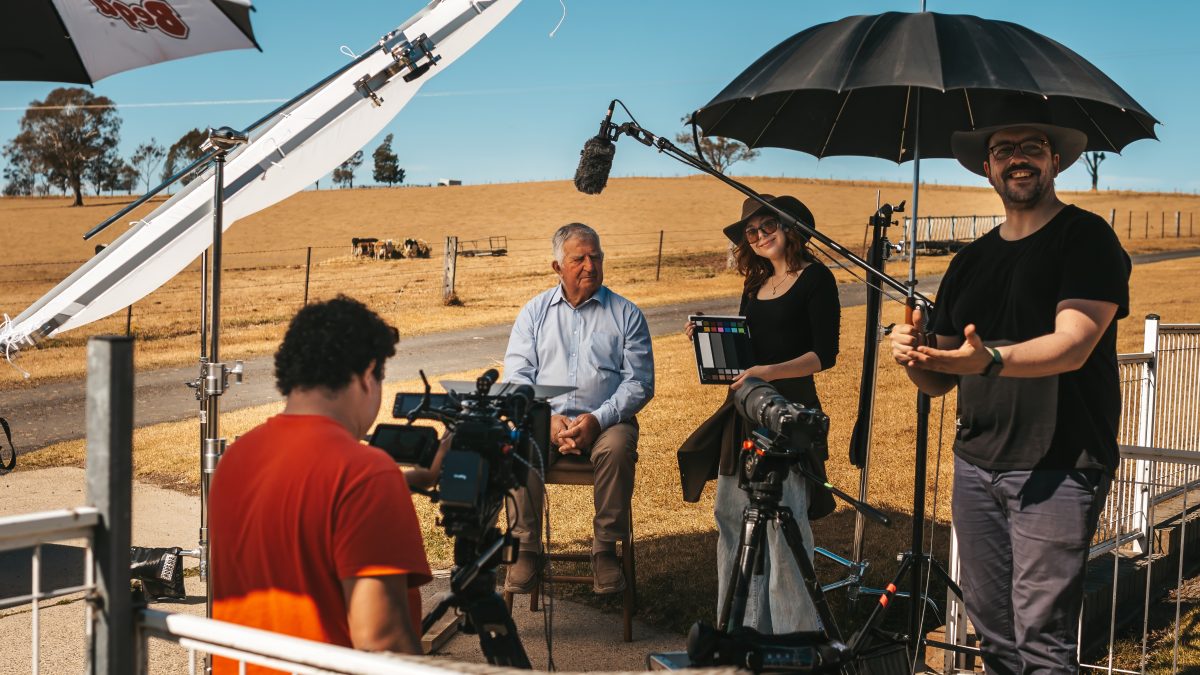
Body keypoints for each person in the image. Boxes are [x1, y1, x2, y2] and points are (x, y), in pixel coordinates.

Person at [890, 116, 1130, 673]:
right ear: (987, 167)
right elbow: (940, 378)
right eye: (1004, 150)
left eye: (1032, 147)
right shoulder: (969, 262)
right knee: (994, 637)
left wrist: (991, 360)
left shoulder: (1086, 236)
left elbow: (1073, 345)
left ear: (1056, 161)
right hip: (976, 466)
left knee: (1042, 642)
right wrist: (913, 355)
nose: (1018, 157)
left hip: (1058, 466)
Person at [209, 296, 435, 671]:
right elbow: (382, 642)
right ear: (368, 374)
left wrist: (408, 482)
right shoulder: (365, 474)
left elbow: (302, 514)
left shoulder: (235, 460)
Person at [678, 195, 841, 634]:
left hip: (789, 412)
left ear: (790, 226)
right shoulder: (754, 286)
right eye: (751, 232)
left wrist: (768, 372)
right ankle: (738, 633)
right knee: (731, 519)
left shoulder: (816, 280)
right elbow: (746, 350)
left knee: (784, 529)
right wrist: (709, 336)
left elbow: (824, 355)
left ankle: (795, 639)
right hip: (746, 411)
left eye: (767, 225)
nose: (760, 235)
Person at [502, 222, 654, 595]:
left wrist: (597, 419)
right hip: (546, 418)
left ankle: (604, 550)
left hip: (607, 420)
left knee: (617, 448)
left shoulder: (626, 314)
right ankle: (527, 549)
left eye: (596, 257)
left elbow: (639, 382)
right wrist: (548, 418)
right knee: (517, 443)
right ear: (557, 267)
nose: (590, 265)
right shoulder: (534, 313)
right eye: (579, 258)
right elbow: (518, 377)